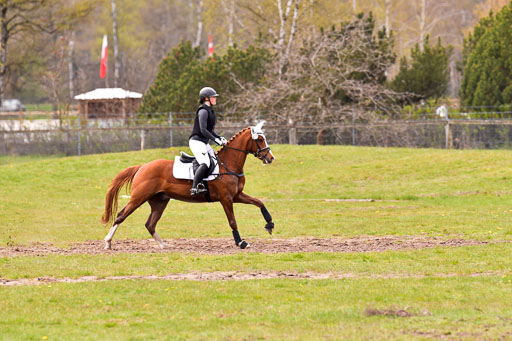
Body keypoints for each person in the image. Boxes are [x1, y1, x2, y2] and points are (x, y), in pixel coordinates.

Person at [188, 87, 227, 195]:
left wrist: (219, 138)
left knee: (215, 161)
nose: (215, 99)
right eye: (213, 97)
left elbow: (210, 130)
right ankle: (194, 187)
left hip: (204, 142)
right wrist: (215, 140)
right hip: (196, 142)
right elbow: (203, 130)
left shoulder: (210, 111)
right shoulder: (203, 111)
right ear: (206, 99)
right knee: (205, 162)